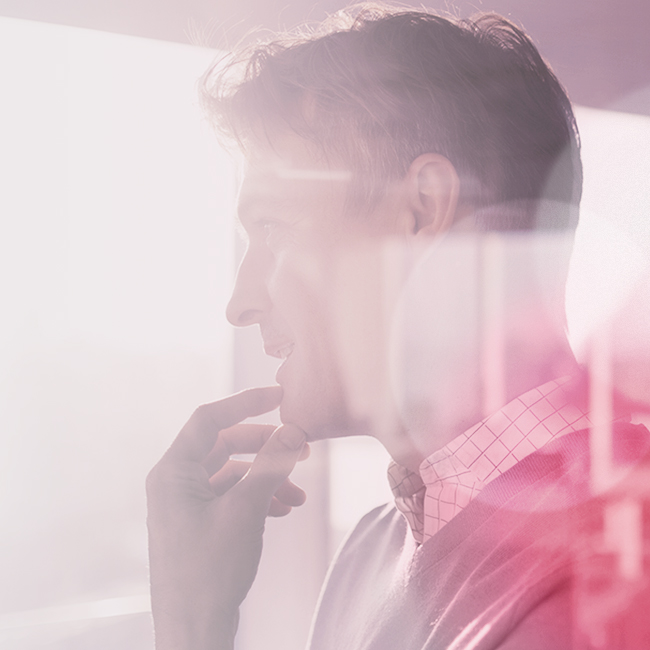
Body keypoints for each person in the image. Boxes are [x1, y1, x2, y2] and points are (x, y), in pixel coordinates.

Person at [146, 5, 650, 649]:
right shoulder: (368, 553)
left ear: (422, 209)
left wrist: (192, 625)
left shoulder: (610, 577)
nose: (241, 303)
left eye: (274, 227)